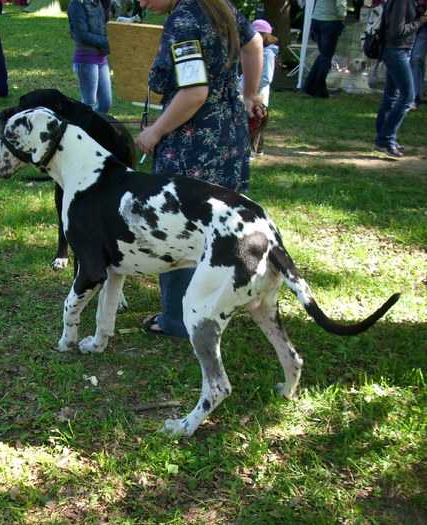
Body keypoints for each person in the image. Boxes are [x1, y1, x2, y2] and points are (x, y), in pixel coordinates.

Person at [135, 0, 263, 338]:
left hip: (192, 144)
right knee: (219, 226)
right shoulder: (218, 7)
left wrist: (155, 130)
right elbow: (254, 44)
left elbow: (194, 93)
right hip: (228, 131)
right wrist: (249, 94)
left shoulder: (184, 21)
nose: (142, 2)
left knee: (176, 226)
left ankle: (177, 320)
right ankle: (214, 307)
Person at [375, 0, 427, 158]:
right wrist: (420, 22)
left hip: (399, 50)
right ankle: (386, 139)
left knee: (391, 97)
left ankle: (383, 141)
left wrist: (420, 13)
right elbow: (397, 30)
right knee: (407, 97)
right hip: (396, 51)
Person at [67, 0, 112, 114]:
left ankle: (94, 126)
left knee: (105, 104)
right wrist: (106, 41)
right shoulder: (77, 3)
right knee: (88, 105)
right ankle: (86, 129)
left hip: (101, 57)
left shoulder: (98, 3)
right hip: (86, 58)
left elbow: (104, 27)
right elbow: (82, 34)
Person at [301, 0, 346, 99]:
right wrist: (342, 17)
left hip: (316, 19)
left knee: (323, 55)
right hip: (330, 20)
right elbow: (340, 4)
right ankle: (320, 89)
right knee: (326, 57)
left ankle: (309, 86)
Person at [250, 18, 278, 156]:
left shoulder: (267, 55)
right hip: (251, 93)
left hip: (258, 94)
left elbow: (266, 77)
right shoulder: (256, 52)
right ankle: (258, 149)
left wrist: (252, 89)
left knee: (255, 121)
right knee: (253, 120)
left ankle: (253, 151)